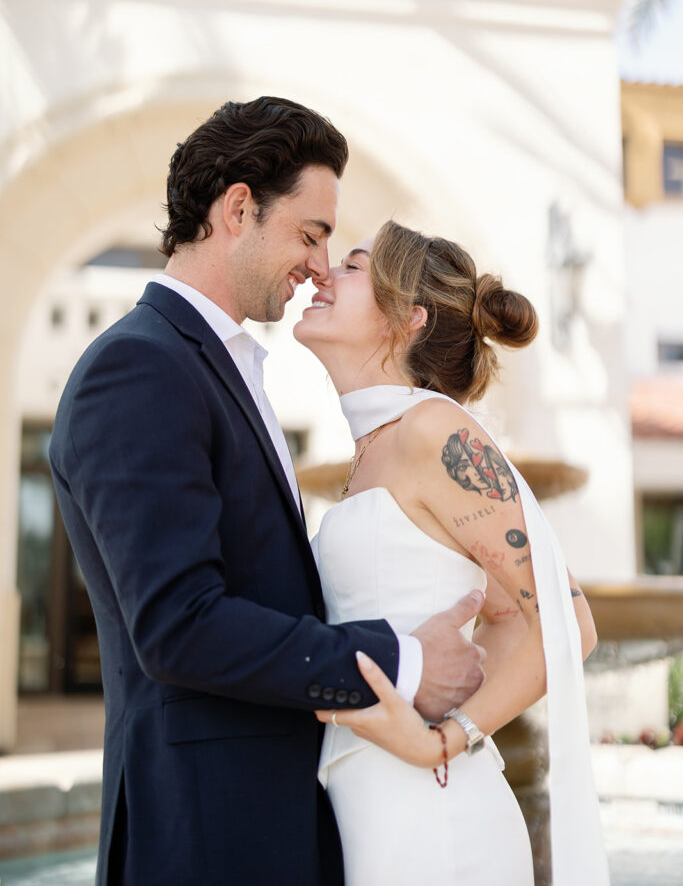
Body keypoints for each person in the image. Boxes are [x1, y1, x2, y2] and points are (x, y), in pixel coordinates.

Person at [48, 98, 487, 886]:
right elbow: (179, 625)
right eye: (312, 235)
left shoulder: (216, 368)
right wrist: (407, 663)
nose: (322, 265)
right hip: (203, 836)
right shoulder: (139, 367)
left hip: (272, 826)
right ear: (238, 207)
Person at [294, 220, 611, 886]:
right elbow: (494, 614)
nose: (323, 274)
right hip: (370, 802)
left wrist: (445, 735)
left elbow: (566, 622)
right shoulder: (377, 447)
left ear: (405, 318)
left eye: (351, 267)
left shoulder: (434, 430)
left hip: (433, 817)